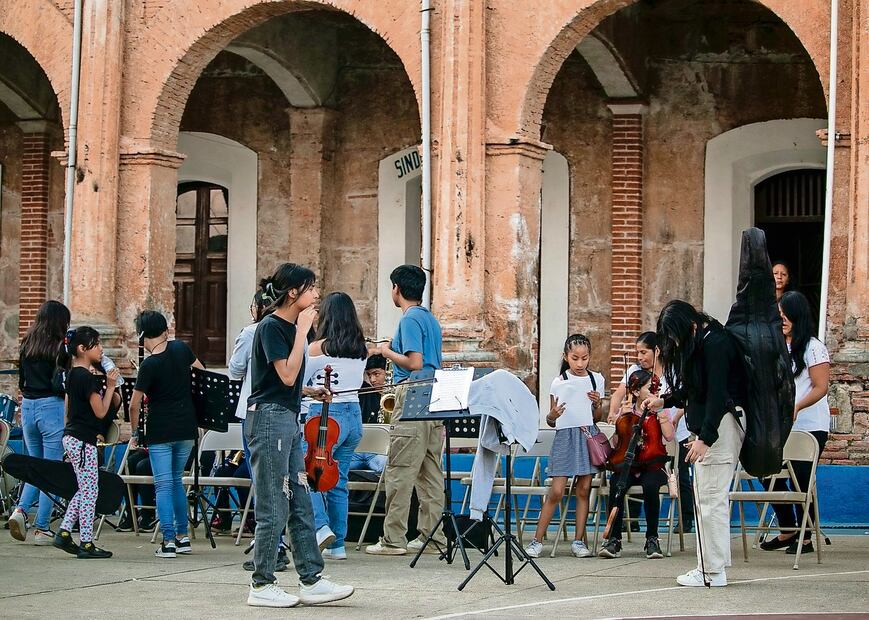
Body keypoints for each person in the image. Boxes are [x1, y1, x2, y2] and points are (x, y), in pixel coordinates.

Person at [245, 263, 353, 608]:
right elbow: (286, 375)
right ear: (293, 293)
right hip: (268, 421)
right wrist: (302, 333)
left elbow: (285, 384)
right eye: (311, 288)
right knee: (274, 503)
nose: (316, 294)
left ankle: (311, 579)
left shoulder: (288, 328)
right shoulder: (273, 327)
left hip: (285, 417)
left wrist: (310, 392)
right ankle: (261, 584)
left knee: (301, 501)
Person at [642, 300, 747, 588]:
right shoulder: (705, 341)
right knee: (712, 499)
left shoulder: (715, 344)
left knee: (708, 499)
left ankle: (710, 572)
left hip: (719, 426)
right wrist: (665, 400)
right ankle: (716, 564)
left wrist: (704, 438)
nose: (675, 343)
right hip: (716, 425)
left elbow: (717, 395)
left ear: (690, 326)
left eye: (676, 337)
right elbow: (695, 389)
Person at [365, 265, 446, 556]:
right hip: (433, 396)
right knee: (430, 471)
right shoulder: (430, 319)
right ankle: (433, 536)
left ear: (397, 288)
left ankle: (393, 539)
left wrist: (384, 351)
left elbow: (413, 361)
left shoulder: (409, 319)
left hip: (411, 393)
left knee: (399, 470)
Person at [128, 310, 203, 559]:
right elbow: (202, 373)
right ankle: (183, 537)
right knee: (176, 482)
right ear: (164, 330)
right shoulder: (181, 349)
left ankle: (168, 539)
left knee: (163, 484)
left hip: (161, 429)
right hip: (185, 427)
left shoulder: (149, 364)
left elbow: (134, 404)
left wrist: (135, 431)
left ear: (142, 335)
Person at [760, 291, 830, 555]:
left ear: (797, 315)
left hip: (809, 425)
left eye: (785, 314)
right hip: (782, 424)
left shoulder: (813, 347)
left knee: (801, 478)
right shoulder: (778, 346)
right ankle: (788, 528)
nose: (781, 319)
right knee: (766, 472)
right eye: (778, 315)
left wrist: (798, 406)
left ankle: (807, 535)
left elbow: (821, 387)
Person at [524, 333, 604, 559]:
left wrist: (598, 403)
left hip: (587, 435)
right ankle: (537, 540)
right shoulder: (559, 381)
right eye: (575, 358)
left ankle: (579, 541)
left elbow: (597, 416)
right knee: (557, 491)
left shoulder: (596, 379)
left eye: (585, 358)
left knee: (583, 490)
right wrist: (552, 414)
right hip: (564, 438)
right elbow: (551, 420)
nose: (580, 363)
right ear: (566, 357)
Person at [303, 291, 367, 561]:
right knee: (339, 481)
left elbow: (299, 382)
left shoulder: (318, 348)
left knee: (309, 476)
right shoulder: (360, 349)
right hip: (354, 415)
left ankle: (320, 527)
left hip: (327, 416)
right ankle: (338, 544)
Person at [608, 332, 693, 532]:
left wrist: (676, 416)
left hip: (671, 428)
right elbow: (620, 393)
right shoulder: (635, 371)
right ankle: (634, 519)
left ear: (657, 351)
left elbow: (686, 398)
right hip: (643, 429)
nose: (639, 357)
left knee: (680, 474)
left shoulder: (674, 370)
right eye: (637, 352)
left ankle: (685, 519)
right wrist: (614, 413)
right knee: (635, 462)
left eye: (643, 352)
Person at [52, 327, 118, 559]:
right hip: (83, 440)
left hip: (73, 437)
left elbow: (68, 410)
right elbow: (100, 412)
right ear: (82, 348)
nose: (101, 349)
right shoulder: (87, 378)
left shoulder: (71, 374)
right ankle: (87, 542)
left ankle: (64, 531)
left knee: (86, 488)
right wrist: (110, 386)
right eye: (97, 344)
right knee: (91, 491)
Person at [8, 300, 70, 545]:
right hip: (50, 406)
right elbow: (62, 382)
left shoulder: (28, 344)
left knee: (34, 466)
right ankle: (41, 526)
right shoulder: (58, 347)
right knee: (51, 470)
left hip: (29, 406)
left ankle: (21, 510)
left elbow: (22, 380)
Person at [599, 368, 675, 560]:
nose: (653, 392)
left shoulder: (658, 410)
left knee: (650, 486)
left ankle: (652, 538)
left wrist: (661, 415)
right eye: (650, 389)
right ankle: (614, 539)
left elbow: (669, 436)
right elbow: (617, 445)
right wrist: (620, 421)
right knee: (617, 484)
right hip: (629, 464)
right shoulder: (628, 412)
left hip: (653, 464)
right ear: (635, 391)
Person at [349, 354, 388, 474]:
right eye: (369, 375)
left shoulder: (398, 394)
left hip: (381, 453)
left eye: (377, 374)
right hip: (358, 451)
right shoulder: (364, 391)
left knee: (388, 468)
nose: (372, 380)